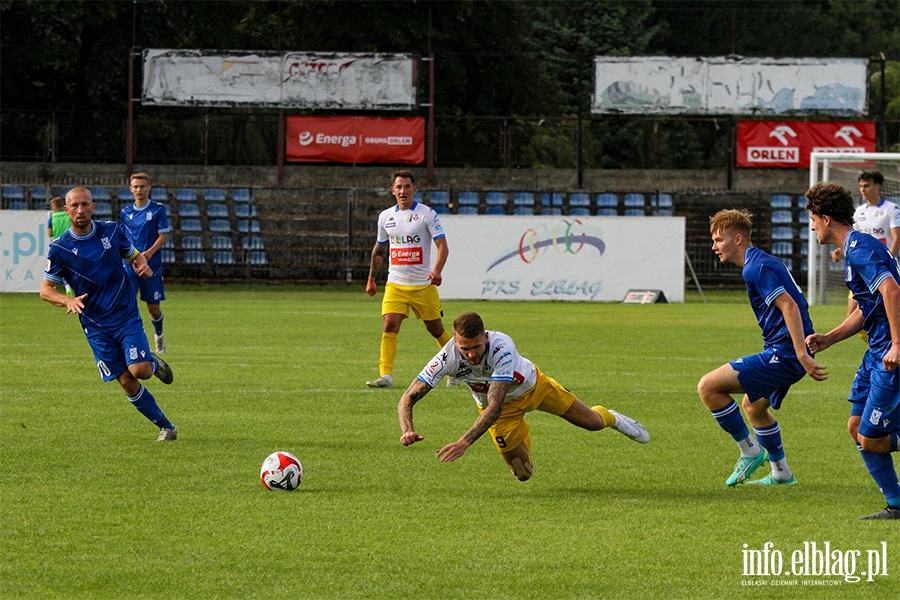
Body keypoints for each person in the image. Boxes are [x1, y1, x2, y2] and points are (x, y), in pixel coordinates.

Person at [397, 311, 649, 481]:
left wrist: (464, 442)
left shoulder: (502, 347)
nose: (472, 355)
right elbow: (408, 397)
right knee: (523, 474)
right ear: (455, 340)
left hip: (535, 388)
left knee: (593, 424)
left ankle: (612, 417)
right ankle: (520, 429)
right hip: (503, 413)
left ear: (485, 337)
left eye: (476, 347)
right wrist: (407, 429)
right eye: (465, 348)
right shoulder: (446, 357)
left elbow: (494, 404)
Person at [698, 209, 827, 487]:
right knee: (754, 407)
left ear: (739, 239)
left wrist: (802, 356)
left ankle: (749, 450)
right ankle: (781, 473)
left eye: (719, 239)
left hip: (786, 354)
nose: (714, 246)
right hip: (787, 350)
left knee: (708, 387)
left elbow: (789, 306)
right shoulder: (762, 261)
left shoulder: (754, 267)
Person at [41, 187, 178, 442]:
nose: (80, 210)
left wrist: (143, 266)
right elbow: (46, 290)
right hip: (95, 326)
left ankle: (151, 362)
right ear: (66, 210)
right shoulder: (59, 248)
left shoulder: (112, 231)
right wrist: (66, 299)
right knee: (125, 381)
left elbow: (134, 256)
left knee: (139, 371)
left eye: (85, 205)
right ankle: (166, 426)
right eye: (75, 206)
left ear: (93, 207)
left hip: (124, 315)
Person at [805, 182, 900, 520]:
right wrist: (830, 338)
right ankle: (896, 505)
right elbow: (867, 307)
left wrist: (897, 344)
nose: (812, 226)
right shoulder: (854, 248)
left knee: (873, 439)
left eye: (813, 219)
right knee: (856, 426)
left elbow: (892, 291)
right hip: (876, 350)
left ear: (826, 219)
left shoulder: (859, 248)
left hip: (889, 352)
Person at [365, 170, 451, 389]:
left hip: (423, 284)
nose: (403, 191)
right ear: (392, 190)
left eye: (407, 186)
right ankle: (386, 376)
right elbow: (379, 249)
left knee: (435, 329)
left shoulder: (427, 214)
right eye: (399, 187)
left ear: (414, 189)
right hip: (395, 283)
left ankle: (458, 367)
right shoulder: (385, 217)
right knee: (389, 323)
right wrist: (371, 278)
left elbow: (442, 245)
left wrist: (437, 271)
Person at [830, 170, 900, 338]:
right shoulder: (859, 211)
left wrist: (886, 262)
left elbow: (897, 238)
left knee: (879, 312)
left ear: (878, 186)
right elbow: (852, 237)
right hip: (862, 271)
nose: (863, 189)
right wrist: (840, 250)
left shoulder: (891, 209)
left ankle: (888, 346)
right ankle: (880, 348)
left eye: (867, 185)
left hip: (881, 269)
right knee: (852, 314)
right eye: (861, 186)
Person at [120, 172, 170, 354]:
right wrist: (129, 256)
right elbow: (122, 237)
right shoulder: (126, 212)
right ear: (130, 189)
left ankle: (159, 336)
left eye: (142, 186)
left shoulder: (157, 210)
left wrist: (148, 253)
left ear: (148, 188)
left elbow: (163, 235)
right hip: (130, 266)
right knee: (127, 304)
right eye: (136, 186)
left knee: (153, 309)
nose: (139, 189)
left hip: (152, 266)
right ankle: (132, 343)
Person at [46, 196, 74, 297]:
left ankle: (66, 286)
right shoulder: (68, 215)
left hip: (58, 245)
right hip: (70, 243)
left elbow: (49, 233)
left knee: (60, 266)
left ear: (54, 206)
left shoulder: (52, 218)